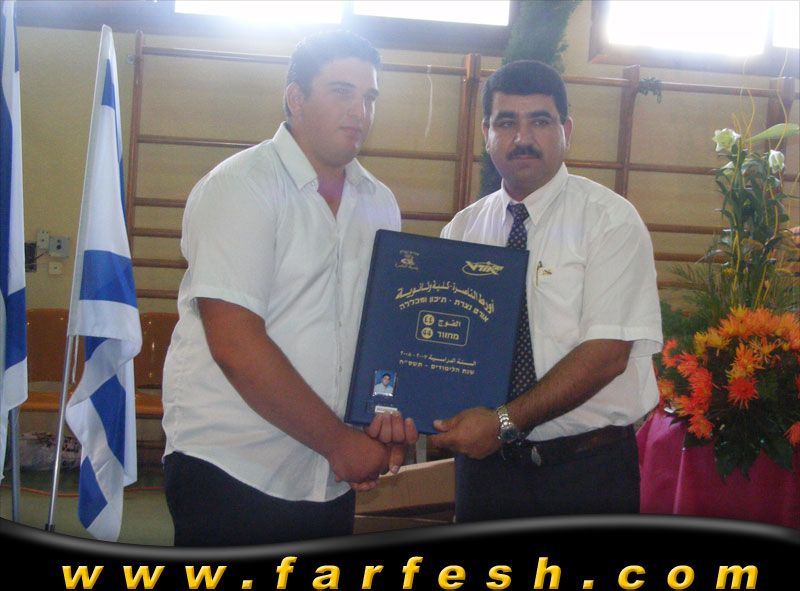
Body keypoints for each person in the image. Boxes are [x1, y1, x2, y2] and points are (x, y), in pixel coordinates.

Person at [161, 30, 417, 546]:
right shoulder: (241, 186)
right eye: (341, 91)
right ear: (295, 98)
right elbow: (234, 343)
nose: (360, 111)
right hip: (233, 465)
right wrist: (340, 443)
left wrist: (385, 417)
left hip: (328, 474)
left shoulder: (379, 202)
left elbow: (379, 336)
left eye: (369, 96)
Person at [431, 60, 662, 522]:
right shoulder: (462, 231)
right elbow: (442, 346)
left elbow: (607, 354)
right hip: (486, 474)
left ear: (566, 130)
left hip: (586, 474)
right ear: (485, 132)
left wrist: (503, 422)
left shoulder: (609, 220)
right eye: (506, 123)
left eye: (540, 121)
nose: (522, 137)